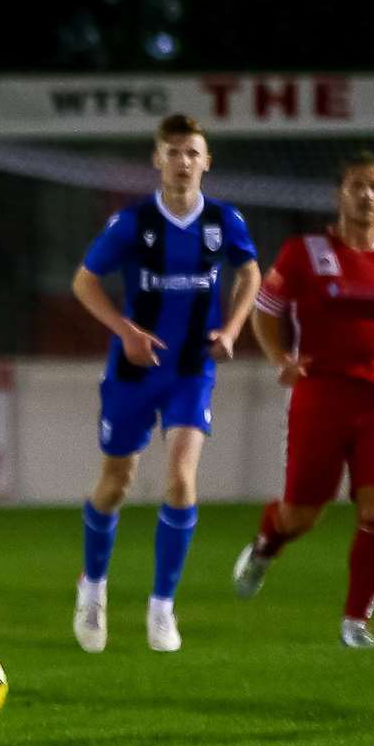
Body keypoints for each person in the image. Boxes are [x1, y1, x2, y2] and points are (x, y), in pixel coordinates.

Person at [70, 113, 260, 653]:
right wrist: (124, 329)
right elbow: (84, 282)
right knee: (116, 485)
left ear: (206, 161)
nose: (182, 162)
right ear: (157, 159)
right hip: (133, 371)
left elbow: (250, 272)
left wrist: (233, 326)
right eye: (172, 151)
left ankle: (161, 608)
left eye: (191, 152)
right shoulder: (132, 223)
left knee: (180, 480)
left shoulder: (224, 222)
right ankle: (93, 590)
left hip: (190, 371)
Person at [232, 152, 374, 649]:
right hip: (321, 393)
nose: (365, 194)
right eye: (356, 185)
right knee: (301, 514)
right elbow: (267, 309)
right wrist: (280, 355)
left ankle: (356, 620)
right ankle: (266, 545)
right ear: (339, 194)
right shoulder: (303, 251)